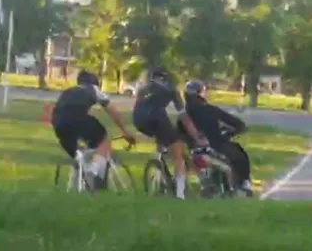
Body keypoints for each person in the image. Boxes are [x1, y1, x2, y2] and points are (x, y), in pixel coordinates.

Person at [50, 70, 136, 189]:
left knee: (78, 155)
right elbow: (112, 110)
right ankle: (94, 172)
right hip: (77, 118)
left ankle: (78, 185)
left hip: (57, 122)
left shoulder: (68, 91)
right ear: (95, 83)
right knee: (104, 139)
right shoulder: (93, 89)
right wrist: (125, 131)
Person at [132, 67, 208, 200]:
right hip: (157, 116)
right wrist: (197, 137)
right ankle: (180, 194)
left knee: (162, 136)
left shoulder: (143, 88)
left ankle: (159, 163)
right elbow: (184, 117)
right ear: (165, 79)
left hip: (138, 120)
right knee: (178, 151)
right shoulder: (171, 89)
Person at [177, 79, 253, 194]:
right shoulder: (210, 109)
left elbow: (179, 133)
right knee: (240, 155)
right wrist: (237, 129)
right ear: (200, 94)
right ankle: (244, 183)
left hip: (193, 149)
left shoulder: (184, 114)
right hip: (217, 145)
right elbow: (235, 122)